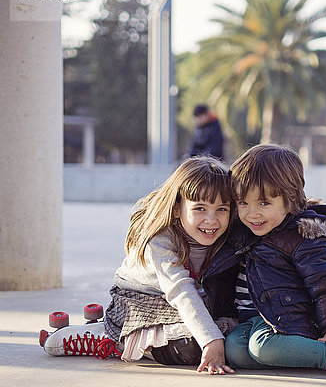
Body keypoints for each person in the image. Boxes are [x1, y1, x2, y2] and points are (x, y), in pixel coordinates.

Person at [201, 144, 326, 377]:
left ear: (289, 199)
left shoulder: (305, 235)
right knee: (234, 351)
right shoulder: (245, 232)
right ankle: (300, 355)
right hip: (253, 320)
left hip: (290, 321)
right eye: (243, 203)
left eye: (263, 203)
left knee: (262, 348)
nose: (252, 213)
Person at [40, 157, 236, 375]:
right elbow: (180, 291)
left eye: (222, 209)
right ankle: (111, 338)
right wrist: (210, 339)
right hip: (140, 304)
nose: (212, 220)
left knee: (230, 333)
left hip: (187, 304)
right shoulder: (160, 239)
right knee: (191, 347)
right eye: (200, 208)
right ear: (177, 208)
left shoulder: (227, 235)